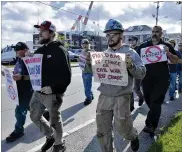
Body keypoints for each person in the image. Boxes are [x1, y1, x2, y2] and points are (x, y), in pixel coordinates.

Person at [95, 19, 146, 152]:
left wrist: (131, 65)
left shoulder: (131, 53)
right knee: (102, 130)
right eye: (108, 35)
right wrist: (90, 64)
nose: (110, 38)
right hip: (104, 96)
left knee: (123, 128)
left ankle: (133, 136)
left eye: (113, 34)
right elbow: (96, 73)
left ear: (121, 35)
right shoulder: (104, 54)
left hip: (122, 96)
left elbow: (141, 74)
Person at [29, 21, 71, 152]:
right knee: (34, 116)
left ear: (52, 33)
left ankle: (59, 144)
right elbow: (34, 70)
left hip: (52, 93)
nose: (39, 33)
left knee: (54, 120)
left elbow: (66, 76)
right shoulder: (39, 50)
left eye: (43, 31)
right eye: (39, 31)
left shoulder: (60, 50)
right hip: (38, 92)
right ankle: (50, 136)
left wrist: (53, 88)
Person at [2, 42, 49, 143]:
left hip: (27, 91)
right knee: (29, 107)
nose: (16, 51)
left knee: (19, 112)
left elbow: (36, 76)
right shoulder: (19, 59)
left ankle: (19, 131)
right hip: (20, 90)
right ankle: (45, 114)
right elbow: (18, 72)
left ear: (25, 50)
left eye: (18, 49)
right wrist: (8, 74)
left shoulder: (31, 60)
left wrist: (22, 77)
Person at [136, 26, 177, 136]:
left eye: (157, 32)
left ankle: (151, 125)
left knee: (156, 101)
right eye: (153, 32)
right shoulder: (144, 46)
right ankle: (152, 120)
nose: (154, 33)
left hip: (162, 79)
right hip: (147, 79)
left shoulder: (166, 46)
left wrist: (168, 53)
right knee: (149, 100)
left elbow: (176, 60)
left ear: (161, 33)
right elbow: (134, 56)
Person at [129, 36, 144, 112]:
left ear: (136, 41)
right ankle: (131, 106)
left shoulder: (140, 49)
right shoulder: (128, 50)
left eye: (133, 40)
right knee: (130, 89)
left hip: (138, 70)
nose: (131, 42)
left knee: (136, 88)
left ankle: (141, 98)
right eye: (130, 40)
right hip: (130, 71)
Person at [79, 39, 94, 105]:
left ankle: (88, 98)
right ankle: (91, 95)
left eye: (86, 43)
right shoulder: (82, 52)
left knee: (87, 87)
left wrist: (87, 60)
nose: (84, 45)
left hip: (89, 71)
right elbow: (82, 61)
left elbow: (94, 62)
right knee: (86, 86)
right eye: (83, 44)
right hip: (83, 71)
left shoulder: (91, 52)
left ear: (88, 44)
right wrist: (79, 60)